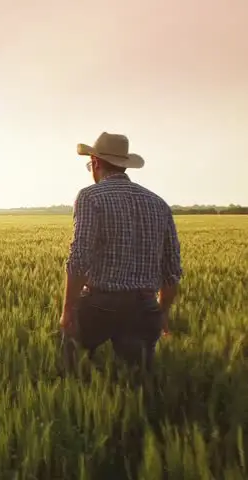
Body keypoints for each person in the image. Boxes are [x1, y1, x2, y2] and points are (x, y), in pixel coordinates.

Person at [60, 132, 183, 371]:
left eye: (89, 165)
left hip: (99, 305)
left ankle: (76, 390)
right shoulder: (159, 203)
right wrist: (161, 313)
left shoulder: (90, 196)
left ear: (95, 163)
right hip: (144, 308)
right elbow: (171, 270)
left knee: (73, 366)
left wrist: (68, 311)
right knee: (137, 381)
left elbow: (79, 257)